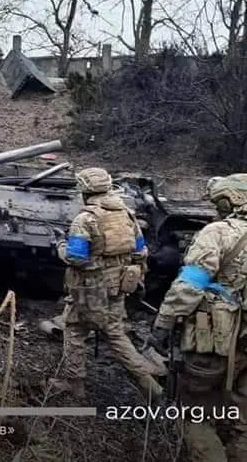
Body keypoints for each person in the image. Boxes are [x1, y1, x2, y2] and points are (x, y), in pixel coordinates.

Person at [148, 173, 247, 461]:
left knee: (193, 414)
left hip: (215, 342)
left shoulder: (217, 232)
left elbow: (189, 285)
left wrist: (162, 325)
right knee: (243, 423)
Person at [50, 167, 163, 400]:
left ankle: (74, 384)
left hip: (88, 288)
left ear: (84, 191)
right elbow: (140, 250)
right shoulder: (127, 214)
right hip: (118, 285)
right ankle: (151, 387)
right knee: (115, 333)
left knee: (74, 330)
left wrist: (60, 245)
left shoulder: (85, 219)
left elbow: (76, 258)